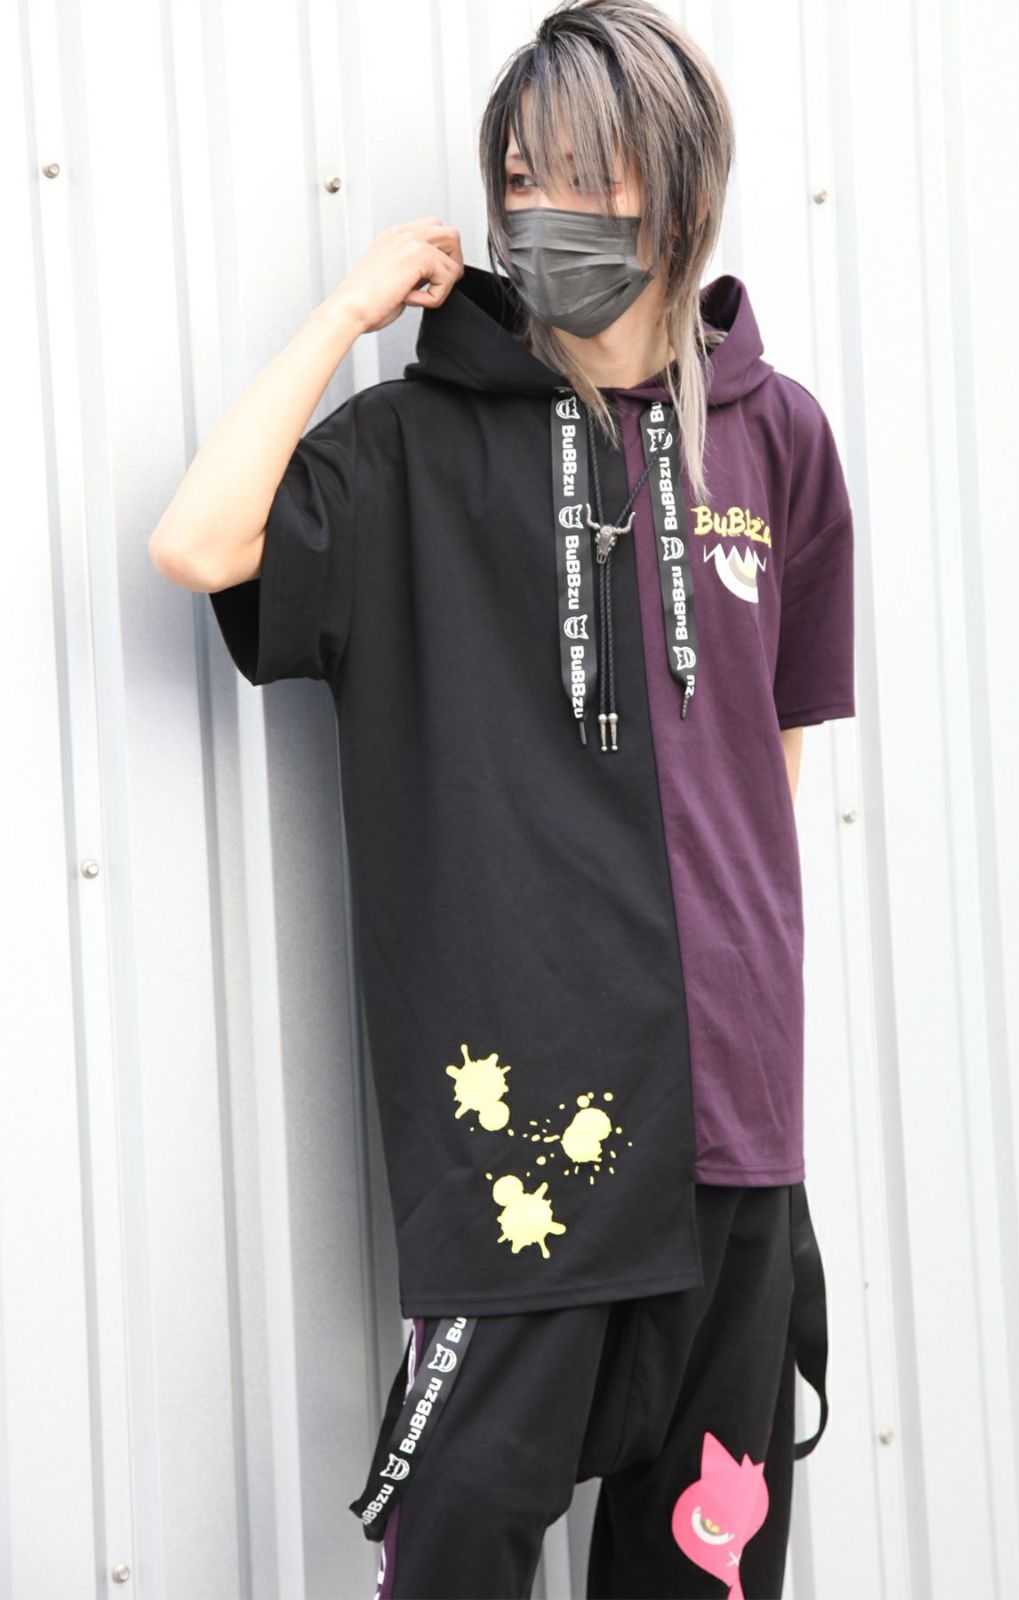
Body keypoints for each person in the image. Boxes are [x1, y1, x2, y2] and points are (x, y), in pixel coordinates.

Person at [149, 1, 853, 1593]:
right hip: (533, 1137)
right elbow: (200, 543)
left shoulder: (780, 441)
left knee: (703, 1561)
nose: (543, 210)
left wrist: (745, 1021)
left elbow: (769, 767)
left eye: (584, 176)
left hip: (736, 1125)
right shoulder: (411, 450)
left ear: (678, 190)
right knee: (460, 1538)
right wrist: (346, 313)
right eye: (521, 175)